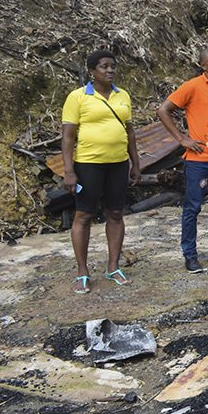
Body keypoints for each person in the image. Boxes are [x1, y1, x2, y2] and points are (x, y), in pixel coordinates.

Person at [61, 50, 140, 294]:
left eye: (113, 66)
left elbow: (129, 132)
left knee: (115, 213)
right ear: (92, 72)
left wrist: (135, 163)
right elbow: (68, 137)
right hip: (88, 165)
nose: (110, 70)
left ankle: (113, 267)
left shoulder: (122, 95)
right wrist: (69, 171)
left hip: (118, 164)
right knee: (84, 215)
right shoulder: (78, 97)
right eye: (104, 66)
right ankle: (82, 271)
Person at [156, 48, 208, 273]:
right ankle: (190, 256)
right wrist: (182, 139)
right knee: (192, 207)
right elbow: (163, 110)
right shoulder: (192, 86)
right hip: (198, 160)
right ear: (203, 66)